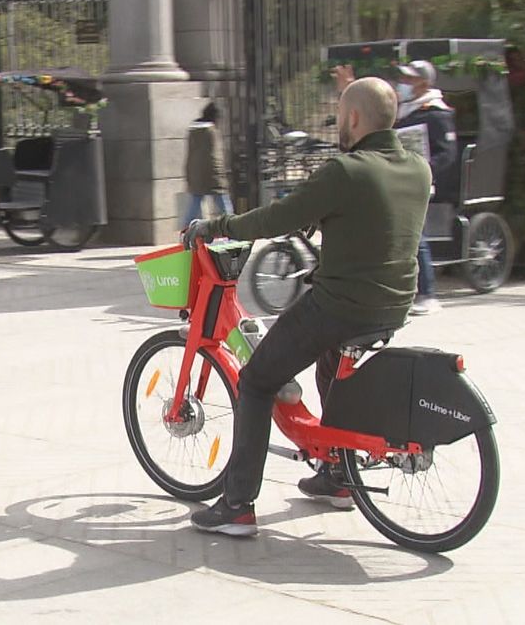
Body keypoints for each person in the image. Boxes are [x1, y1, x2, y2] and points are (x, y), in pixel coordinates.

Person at [183, 74, 430, 536]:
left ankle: (236, 505)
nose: (338, 123)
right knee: (329, 367)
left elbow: (278, 216)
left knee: (256, 381)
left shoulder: (346, 170)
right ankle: (338, 474)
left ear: (353, 118)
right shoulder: (417, 167)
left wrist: (218, 226)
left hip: (342, 305)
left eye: (339, 115)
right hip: (394, 305)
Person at [394, 60, 458, 316]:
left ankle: (428, 294)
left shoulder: (436, 112)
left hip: (420, 181)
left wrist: (423, 167)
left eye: (410, 80)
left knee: (416, 237)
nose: (405, 84)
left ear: (424, 82)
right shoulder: (407, 111)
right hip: (402, 178)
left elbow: (447, 153)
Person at [181, 102, 234, 229]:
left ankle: (185, 230)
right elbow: (215, 158)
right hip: (212, 175)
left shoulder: (193, 131)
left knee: (195, 203)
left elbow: (190, 154)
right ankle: (233, 229)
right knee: (224, 205)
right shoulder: (211, 132)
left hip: (195, 175)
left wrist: (188, 174)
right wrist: (222, 177)